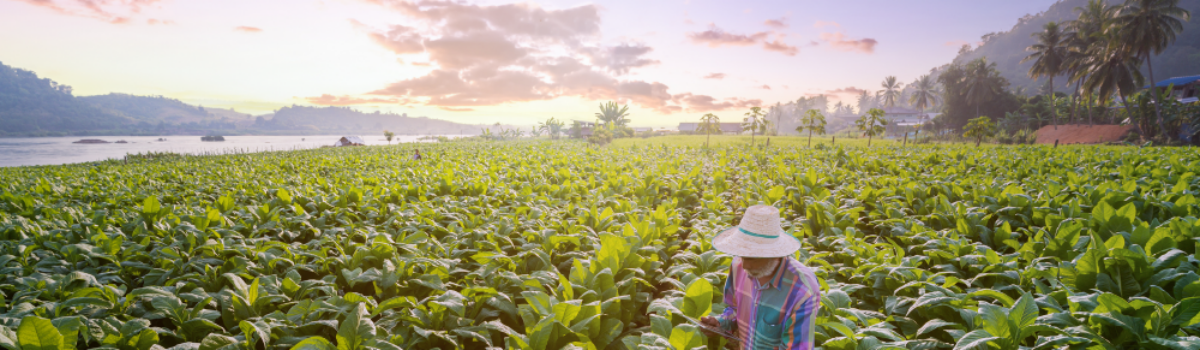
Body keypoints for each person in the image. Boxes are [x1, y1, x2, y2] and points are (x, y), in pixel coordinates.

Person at [700, 204, 821, 350]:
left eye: (752, 258)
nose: (745, 266)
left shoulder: (802, 290)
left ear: (775, 253)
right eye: (742, 255)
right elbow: (735, 309)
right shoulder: (738, 265)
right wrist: (720, 323)